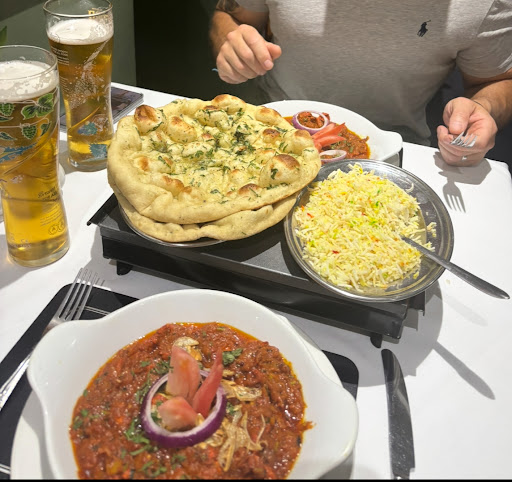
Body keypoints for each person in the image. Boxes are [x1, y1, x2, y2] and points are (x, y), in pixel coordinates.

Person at [209, 0, 512, 167]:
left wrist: (483, 107)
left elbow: (497, 81)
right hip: (268, 132)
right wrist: (230, 46)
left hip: (390, 151)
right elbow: (229, 15)